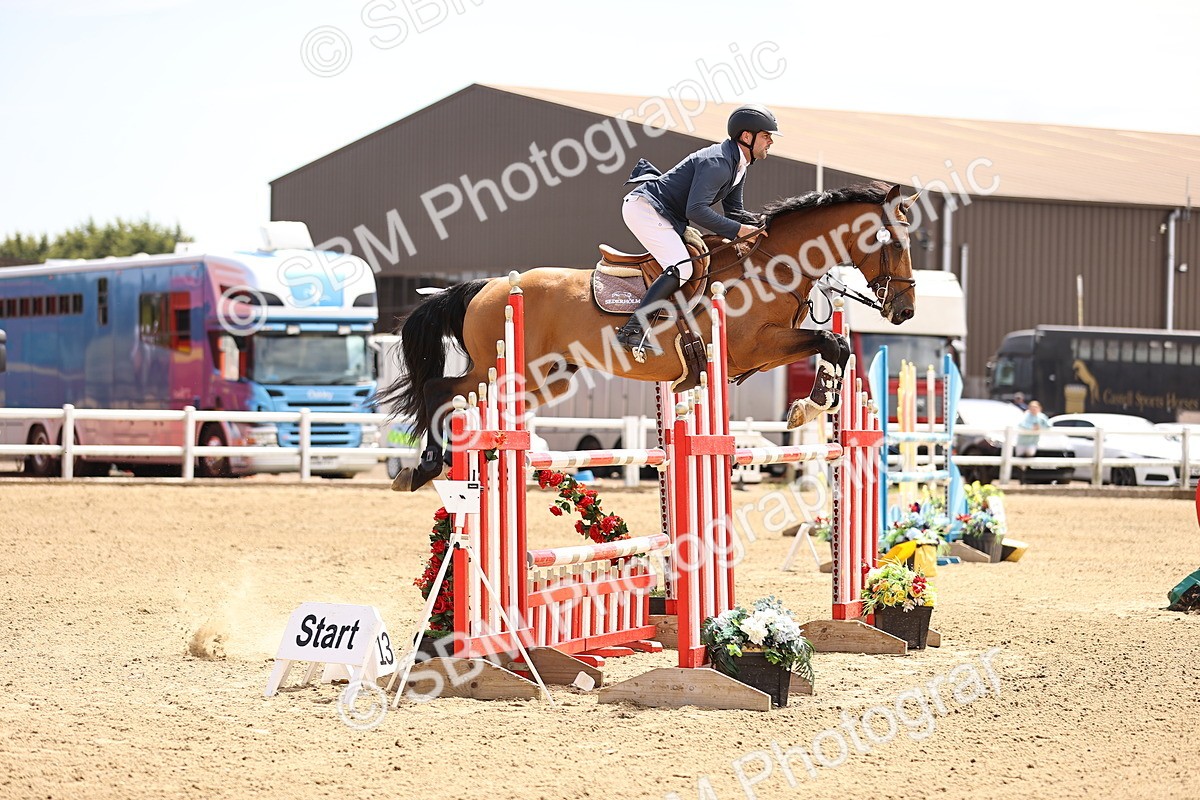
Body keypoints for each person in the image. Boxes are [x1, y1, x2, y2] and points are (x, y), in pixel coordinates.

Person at [614, 104, 779, 353]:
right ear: (747, 136)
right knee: (682, 266)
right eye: (767, 136)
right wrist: (738, 231)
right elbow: (696, 211)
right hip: (645, 209)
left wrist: (766, 222)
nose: (770, 142)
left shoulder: (738, 167)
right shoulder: (719, 163)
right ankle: (632, 329)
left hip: (665, 213)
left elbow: (734, 212)